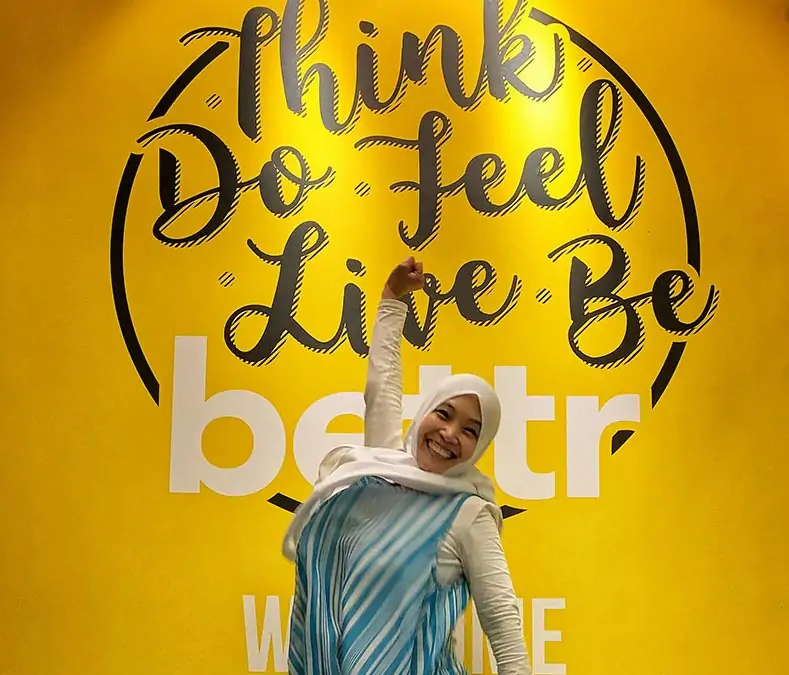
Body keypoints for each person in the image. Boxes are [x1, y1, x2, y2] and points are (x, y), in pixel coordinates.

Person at [283, 258, 530, 675]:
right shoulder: (379, 470)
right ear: (424, 414)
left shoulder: (468, 515)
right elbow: (381, 388)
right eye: (444, 414)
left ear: (479, 446)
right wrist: (392, 301)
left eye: (470, 430)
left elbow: (504, 626)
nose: (451, 433)